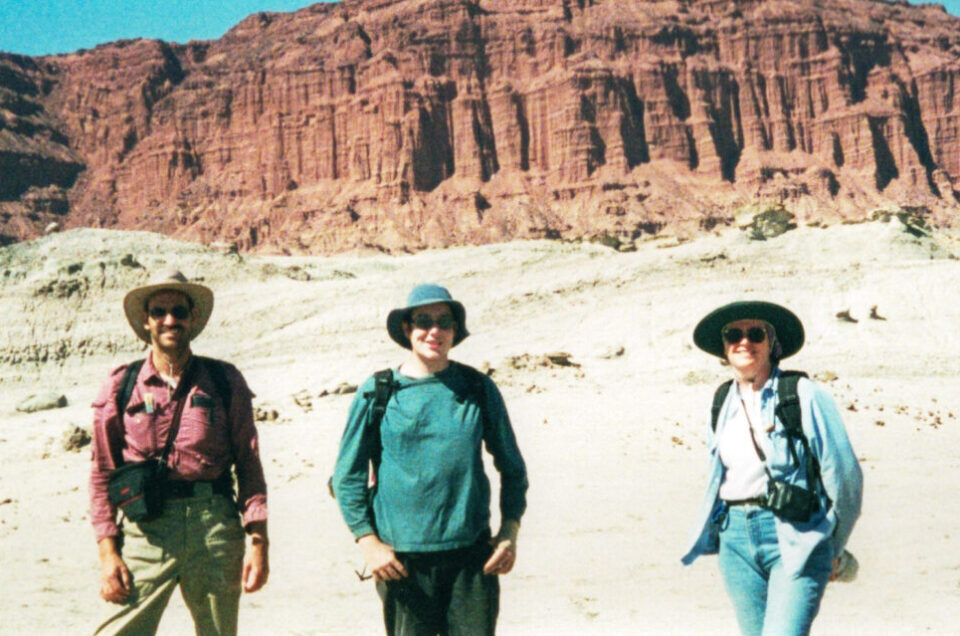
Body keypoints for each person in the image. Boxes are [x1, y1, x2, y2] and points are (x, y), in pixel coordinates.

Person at [332, 283, 528, 635]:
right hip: (401, 562)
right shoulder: (378, 392)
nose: (433, 331)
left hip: (471, 559)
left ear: (455, 331)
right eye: (423, 321)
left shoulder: (477, 389)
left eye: (444, 321)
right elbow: (347, 476)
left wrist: (509, 532)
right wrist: (368, 542)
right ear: (407, 329)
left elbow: (513, 468)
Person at [89, 269, 269, 635]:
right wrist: (108, 553)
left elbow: (249, 464)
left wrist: (259, 541)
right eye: (159, 312)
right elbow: (102, 472)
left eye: (179, 311)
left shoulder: (224, 380)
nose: (170, 320)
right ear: (146, 321)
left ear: (193, 318)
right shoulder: (122, 385)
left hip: (214, 526)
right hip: (146, 529)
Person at [681, 300, 863, 636]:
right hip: (735, 541)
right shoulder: (721, 402)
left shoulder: (803, 394)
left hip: (795, 535)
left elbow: (846, 477)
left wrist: (832, 547)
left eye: (756, 334)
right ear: (724, 346)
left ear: (772, 343)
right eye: (733, 334)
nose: (744, 341)